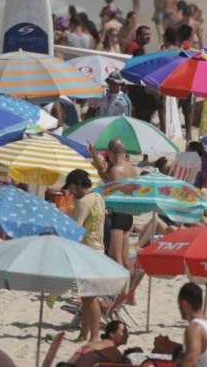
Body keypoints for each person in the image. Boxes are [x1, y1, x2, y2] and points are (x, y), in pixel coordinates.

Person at [64, 168, 105, 342]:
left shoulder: (82, 203)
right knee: (87, 298)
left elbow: (76, 230)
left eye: (72, 187)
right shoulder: (98, 198)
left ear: (79, 184)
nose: (70, 191)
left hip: (86, 251)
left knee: (90, 298)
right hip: (98, 250)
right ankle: (83, 334)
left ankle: (94, 336)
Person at [153, 282, 207, 367]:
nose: (179, 309)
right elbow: (201, 351)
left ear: (184, 304)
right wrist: (171, 345)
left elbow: (190, 360)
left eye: (179, 305)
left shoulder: (195, 328)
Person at [91, 139, 139, 269]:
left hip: (117, 214)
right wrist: (95, 157)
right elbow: (107, 179)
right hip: (128, 215)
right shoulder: (132, 169)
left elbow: (109, 190)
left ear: (111, 153)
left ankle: (124, 288)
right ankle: (130, 286)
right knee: (125, 257)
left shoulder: (115, 170)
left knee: (115, 256)